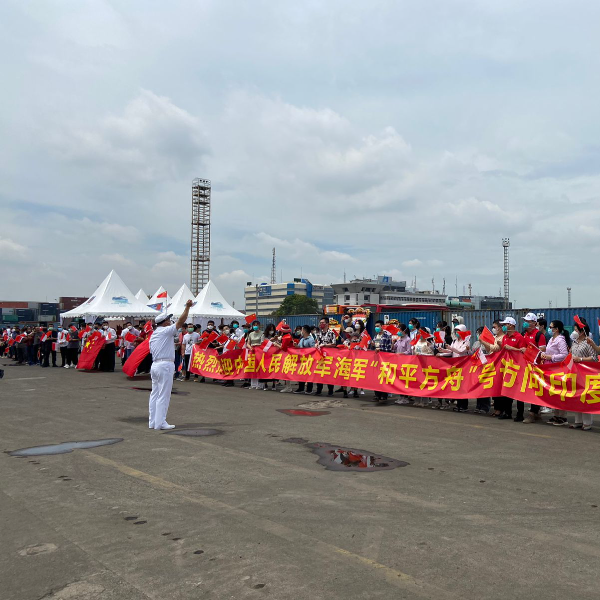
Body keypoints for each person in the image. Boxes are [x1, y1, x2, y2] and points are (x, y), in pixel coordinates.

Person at [148, 300, 193, 431]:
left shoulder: (154, 334)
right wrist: (187, 307)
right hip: (164, 365)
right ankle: (160, 423)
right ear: (165, 322)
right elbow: (181, 321)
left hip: (156, 365)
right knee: (164, 395)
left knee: (155, 394)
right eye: (168, 319)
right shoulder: (165, 331)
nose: (170, 321)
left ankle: (153, 422)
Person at [540, 320, 571, 426]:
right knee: (553, 392)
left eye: (551, 327)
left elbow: (564, 355)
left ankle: (563, 416)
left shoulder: (560, 340)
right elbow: (548, 351)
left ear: (556, 329)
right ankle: (556, 414)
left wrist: (551, 357)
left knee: (560, 392)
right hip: (550, 367)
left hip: (558, 368)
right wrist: (544, 354)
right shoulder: (552, 339)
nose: (549, 328)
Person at [569, 318, 597, 430]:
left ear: (581, 331)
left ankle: (587, 422)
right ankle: (578, 421)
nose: (574, 332)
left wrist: (580, 359)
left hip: (585, 372)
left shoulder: (588, 342)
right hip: (574, 372)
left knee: (585, 396)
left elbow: (594, 358)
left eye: (576, 330)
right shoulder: (574, 342)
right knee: (576, 396)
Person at [519, 313, 547, 423]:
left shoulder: (539, 335)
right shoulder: (523, 334)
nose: (525, 322)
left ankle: (532, 413)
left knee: (535, 390)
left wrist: (528, 351)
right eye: (525, 320)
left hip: (536, 367)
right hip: (525, 366)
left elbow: (542, 352)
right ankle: (536, 412)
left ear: (534, 323)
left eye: (528, 321)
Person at [497, 317, 526, 420]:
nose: (503, 327)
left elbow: (523, 351)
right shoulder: (505, 337)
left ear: (511, 325)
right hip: (507, 367)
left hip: (517, 367)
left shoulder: (519, 337)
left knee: (518, 391)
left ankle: (520, 414)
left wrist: (512, 348)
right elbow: (504, 350)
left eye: (505, 325)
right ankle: (507, 412)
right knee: (507, 389)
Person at [479, 319, 505, 416]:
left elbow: (495, 349)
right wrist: (485, 342)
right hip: (493, 364)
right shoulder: (494, 337)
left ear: (500, 327)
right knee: (494, 387)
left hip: (499, 365)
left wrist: (483, 341)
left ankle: (500, 409)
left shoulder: (503, 338)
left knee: (499, 387)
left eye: (495, 327)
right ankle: (496, 408)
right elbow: (489, 349)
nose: (493, 329)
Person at [369, 320, 393, 403]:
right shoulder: (376, 336)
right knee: (376, 377)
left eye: (378, 326)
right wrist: (372, 345)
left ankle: (384, 395)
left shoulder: (387, 335)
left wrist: (380, 349)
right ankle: (376, 395)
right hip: (376, 360)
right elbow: (374, 347)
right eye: (375, 326)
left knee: (383, 377)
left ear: (382, 326)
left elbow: (389, 349)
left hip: (384, 360)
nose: (376, 328)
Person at [314, 317, 337, 396]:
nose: (321, 324)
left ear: (327, 324)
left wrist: (325, 345)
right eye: (320, 323)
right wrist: (317, 344)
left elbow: (334, 344)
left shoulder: (331, 333)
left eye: (322, 323)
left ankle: (330, 391)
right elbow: (317, 341)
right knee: (319, 373)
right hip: (320, 356)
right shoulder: (318, 333)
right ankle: (318, 390)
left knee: (328, 373)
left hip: (329, 356)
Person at [472, 327, 491, 414]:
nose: (478, 335)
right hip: (477, 367)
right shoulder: (476, 343)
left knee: (484, 387)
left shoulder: (488, 342)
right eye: (477, 333)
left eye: (480, 333)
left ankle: (485, 406)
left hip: (486, 367)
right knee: (478, 387)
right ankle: (478, 405)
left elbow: (490, 352)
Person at [293, 325, 316, 395]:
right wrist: (296, 346)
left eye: (302, 330)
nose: (301, 331)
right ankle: (301, 388)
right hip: (302, 359)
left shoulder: (311, 340)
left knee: (309, 374)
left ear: (305, 331)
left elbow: (313, 349)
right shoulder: (302, 339)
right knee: (301, 373)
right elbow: (300, 347)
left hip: (309, 359)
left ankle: (309, 389)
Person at [246, 320, 264, 389]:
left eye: (257, 325)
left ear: (259, 325)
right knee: (252, 366)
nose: (255, 326)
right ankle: (253, 384)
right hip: (252, 350)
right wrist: (250, 347)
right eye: (254, 325)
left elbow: (263, 343)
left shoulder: (262, 333)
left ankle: (259, 384)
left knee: (259, 366)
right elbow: (248, 343)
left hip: (259, 350)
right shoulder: (250, 334)